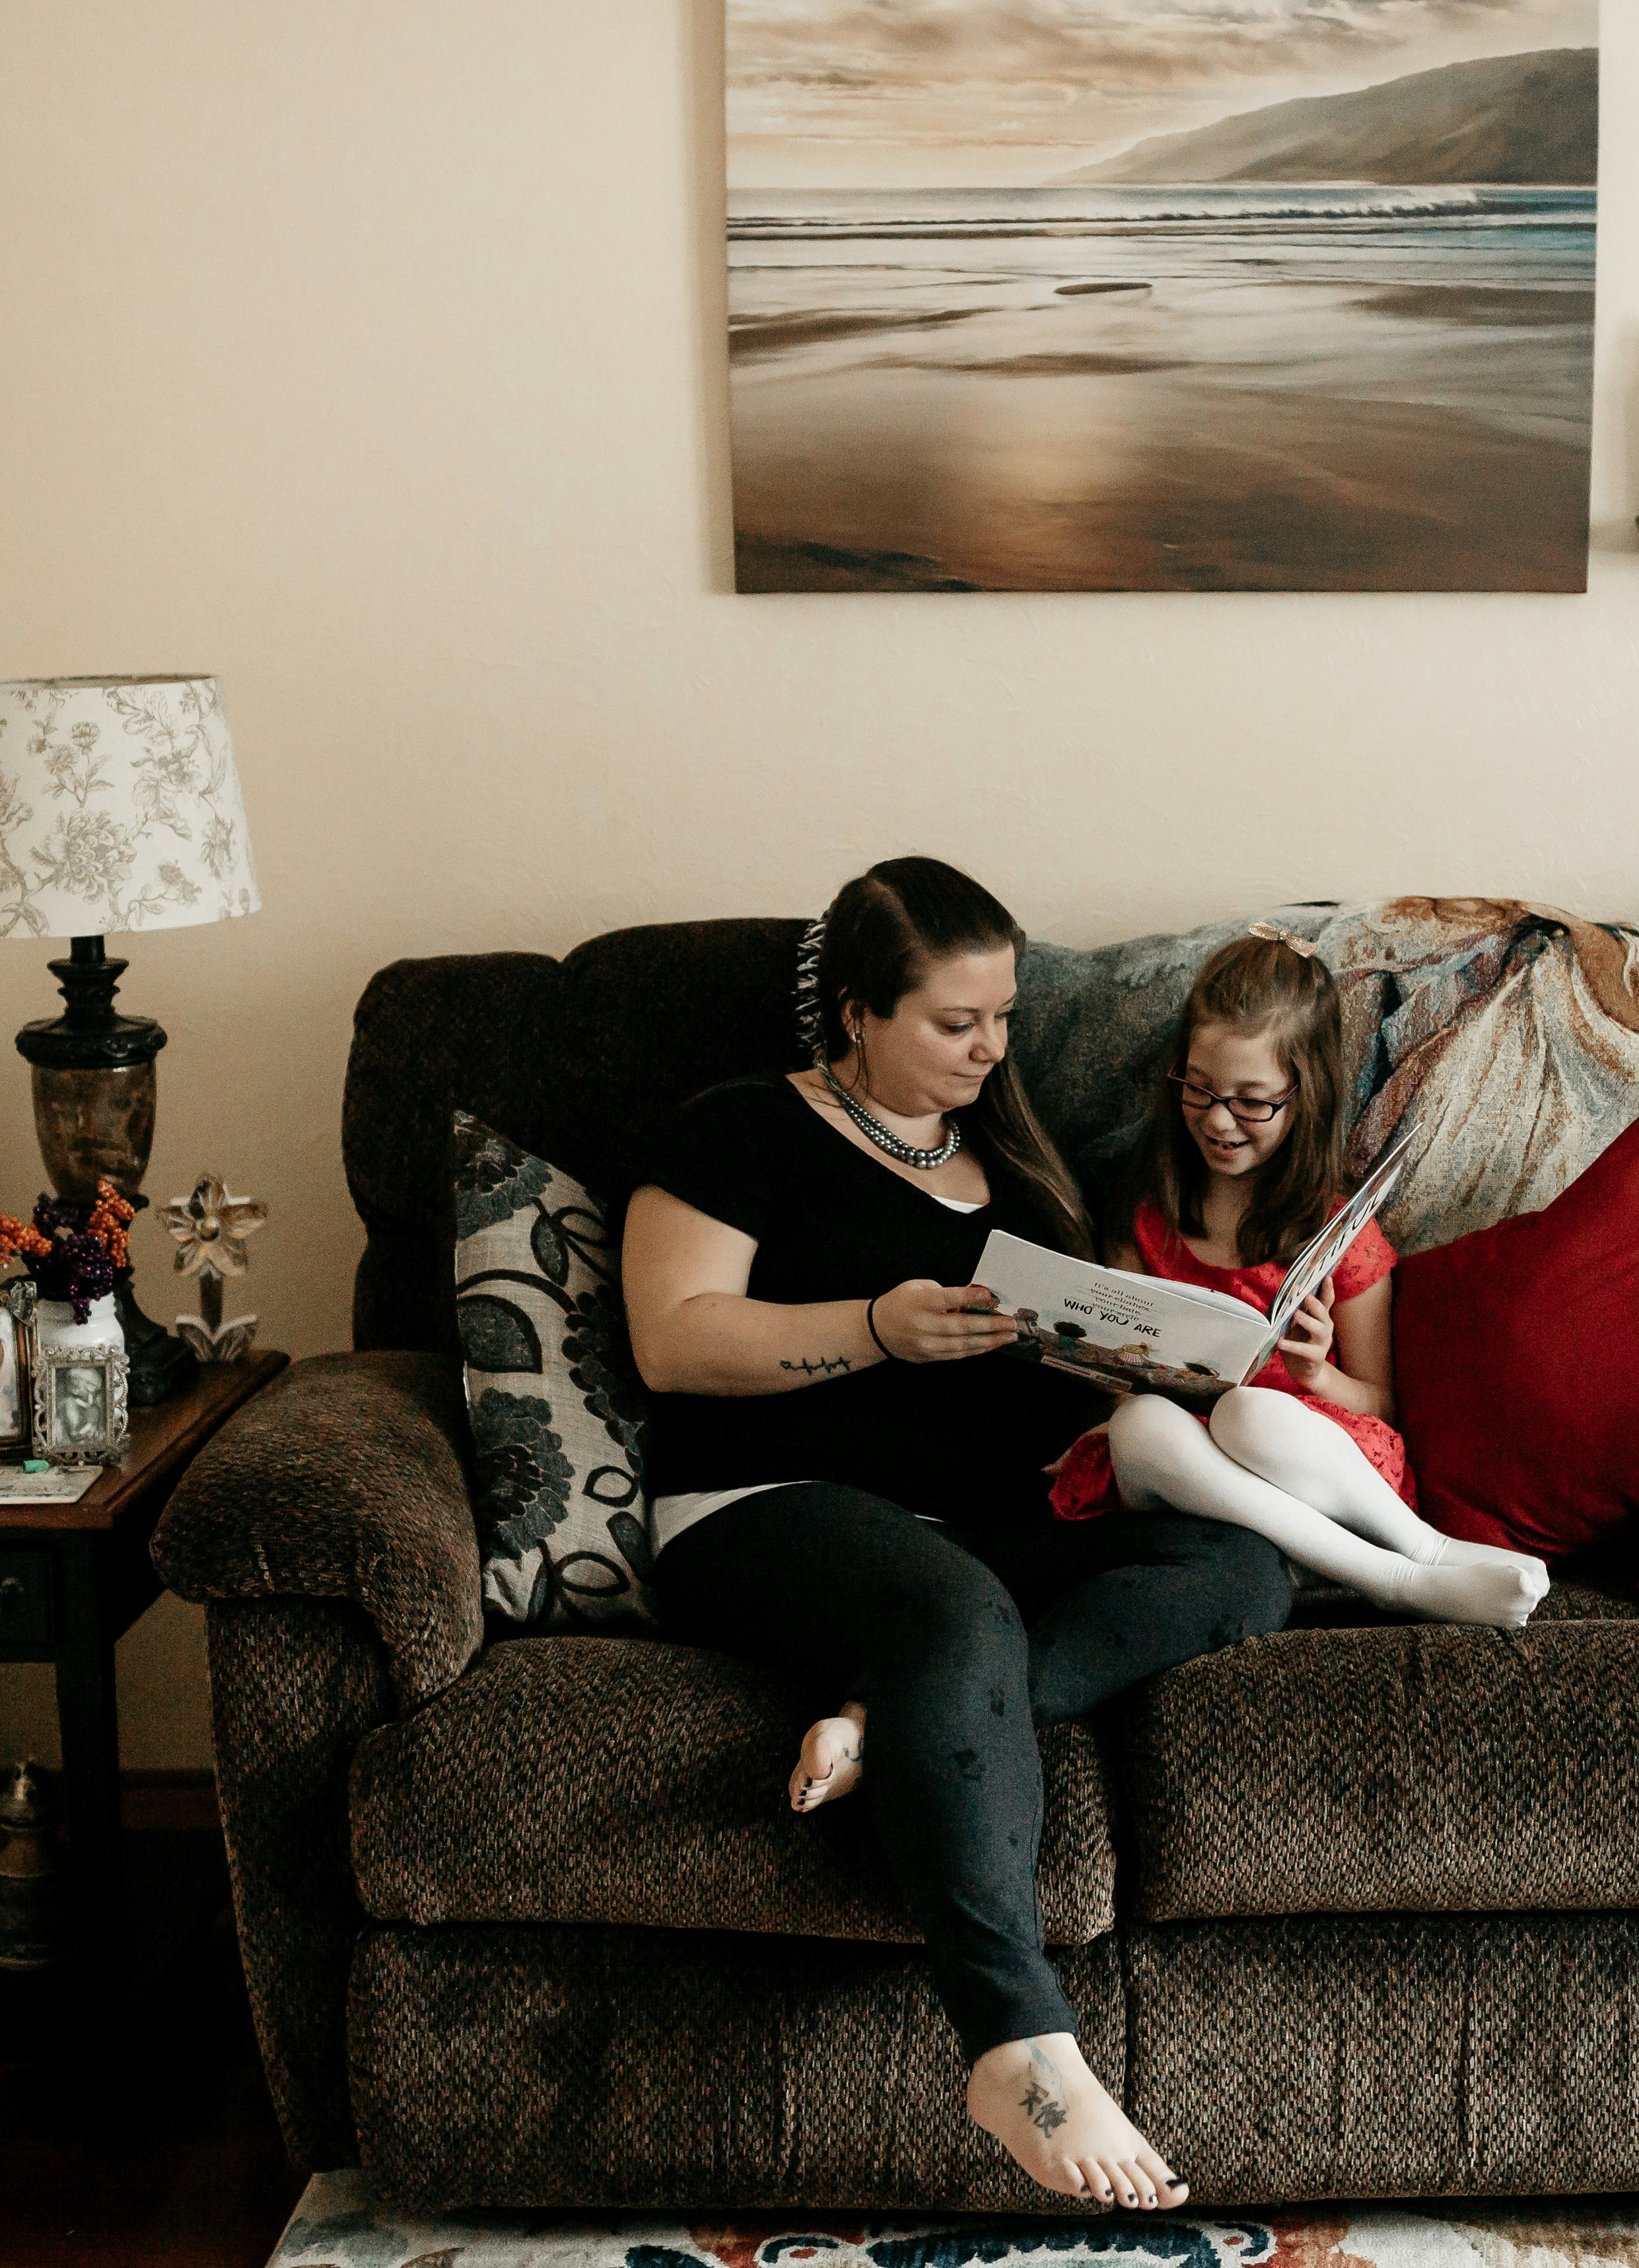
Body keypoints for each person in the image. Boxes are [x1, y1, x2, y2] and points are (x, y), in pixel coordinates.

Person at [626, 858, 1290, 2213]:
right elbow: (674, 1341)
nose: (991, 1050)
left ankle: (894, 1719)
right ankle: (1015, 2049)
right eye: (953, 1023)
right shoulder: (738, 1129)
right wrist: (876, 1327)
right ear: (858, 1013)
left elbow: (1072, 1358)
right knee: (954, 1614)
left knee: (1237, 1563)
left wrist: (1166, 1368)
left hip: (985, 1532)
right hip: (763, 1509)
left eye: (1002, 1018)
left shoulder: (1021, 1164)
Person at [1046, 923, 1547, 1627]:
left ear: (1303, 1095)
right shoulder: (1145, 1216)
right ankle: (1399, 1576)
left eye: (1252, 1100)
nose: (1219, 1121)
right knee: (1138, 1426)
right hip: (1192, 1487)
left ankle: (1422, 1555)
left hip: (1313, 1476)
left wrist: (1319, 1378)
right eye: (1199, 1089)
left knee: (1250, 1411)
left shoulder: (1341, 1233)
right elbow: (1120, 1372)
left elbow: (1384, 1404)